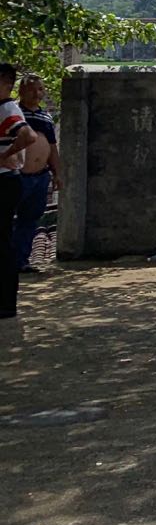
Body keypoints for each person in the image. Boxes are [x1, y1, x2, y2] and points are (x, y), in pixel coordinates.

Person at [0, 63, 39, 339]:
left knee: (3, 243)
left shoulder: (7, 108)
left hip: (4, 180)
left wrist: (4, 156)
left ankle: (5, 304)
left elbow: (27, 135)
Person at [13, 74, 60, 274]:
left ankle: (20, 261)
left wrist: (58, 173)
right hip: (15, 175)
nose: (36, 93)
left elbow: (52, 147)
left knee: (30, 220)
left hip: (40, 176)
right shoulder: (13, 113)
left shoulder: (45, 117)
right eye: (32, 89)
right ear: (21, 91)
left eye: (40, 89)